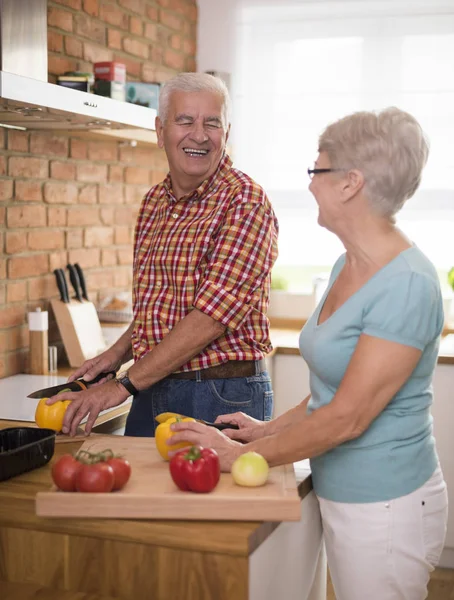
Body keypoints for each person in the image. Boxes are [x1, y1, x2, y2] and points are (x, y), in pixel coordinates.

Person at [169, 107, 448, 600]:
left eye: (316, 170)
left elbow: (346, 418)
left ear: (350, 183)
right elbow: (332, 391)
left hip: (385, 506)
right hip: (340, 489)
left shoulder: (406, 284)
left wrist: (241, 455)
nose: (310, 184)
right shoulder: (348, 262)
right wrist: (266, 429)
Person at [49, 72, 278, 437]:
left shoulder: (245, 201)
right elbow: (160, 306)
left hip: (219, 394)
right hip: (151, 385)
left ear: (227, 134)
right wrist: (116, 355)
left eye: (212, 123)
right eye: (185, 120)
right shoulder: (155, 202)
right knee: (140, 494)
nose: (199, 135)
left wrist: (122, 385)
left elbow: (210, 318)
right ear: (160, 131)